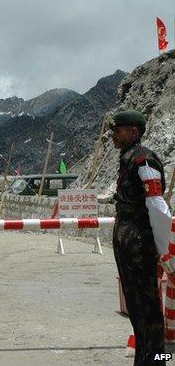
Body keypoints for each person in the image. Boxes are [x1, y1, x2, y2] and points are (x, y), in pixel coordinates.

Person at [110, 110, 173, 366]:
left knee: (148, 309)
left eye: (118, 130)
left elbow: (157, 206)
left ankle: (158, 361)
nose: (114, 135)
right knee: (136, 309)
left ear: (134, 132)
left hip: (138, 238)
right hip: (128, 236)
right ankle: (145, 359)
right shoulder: (128, 158)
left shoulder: (144, 160)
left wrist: (162, 247)